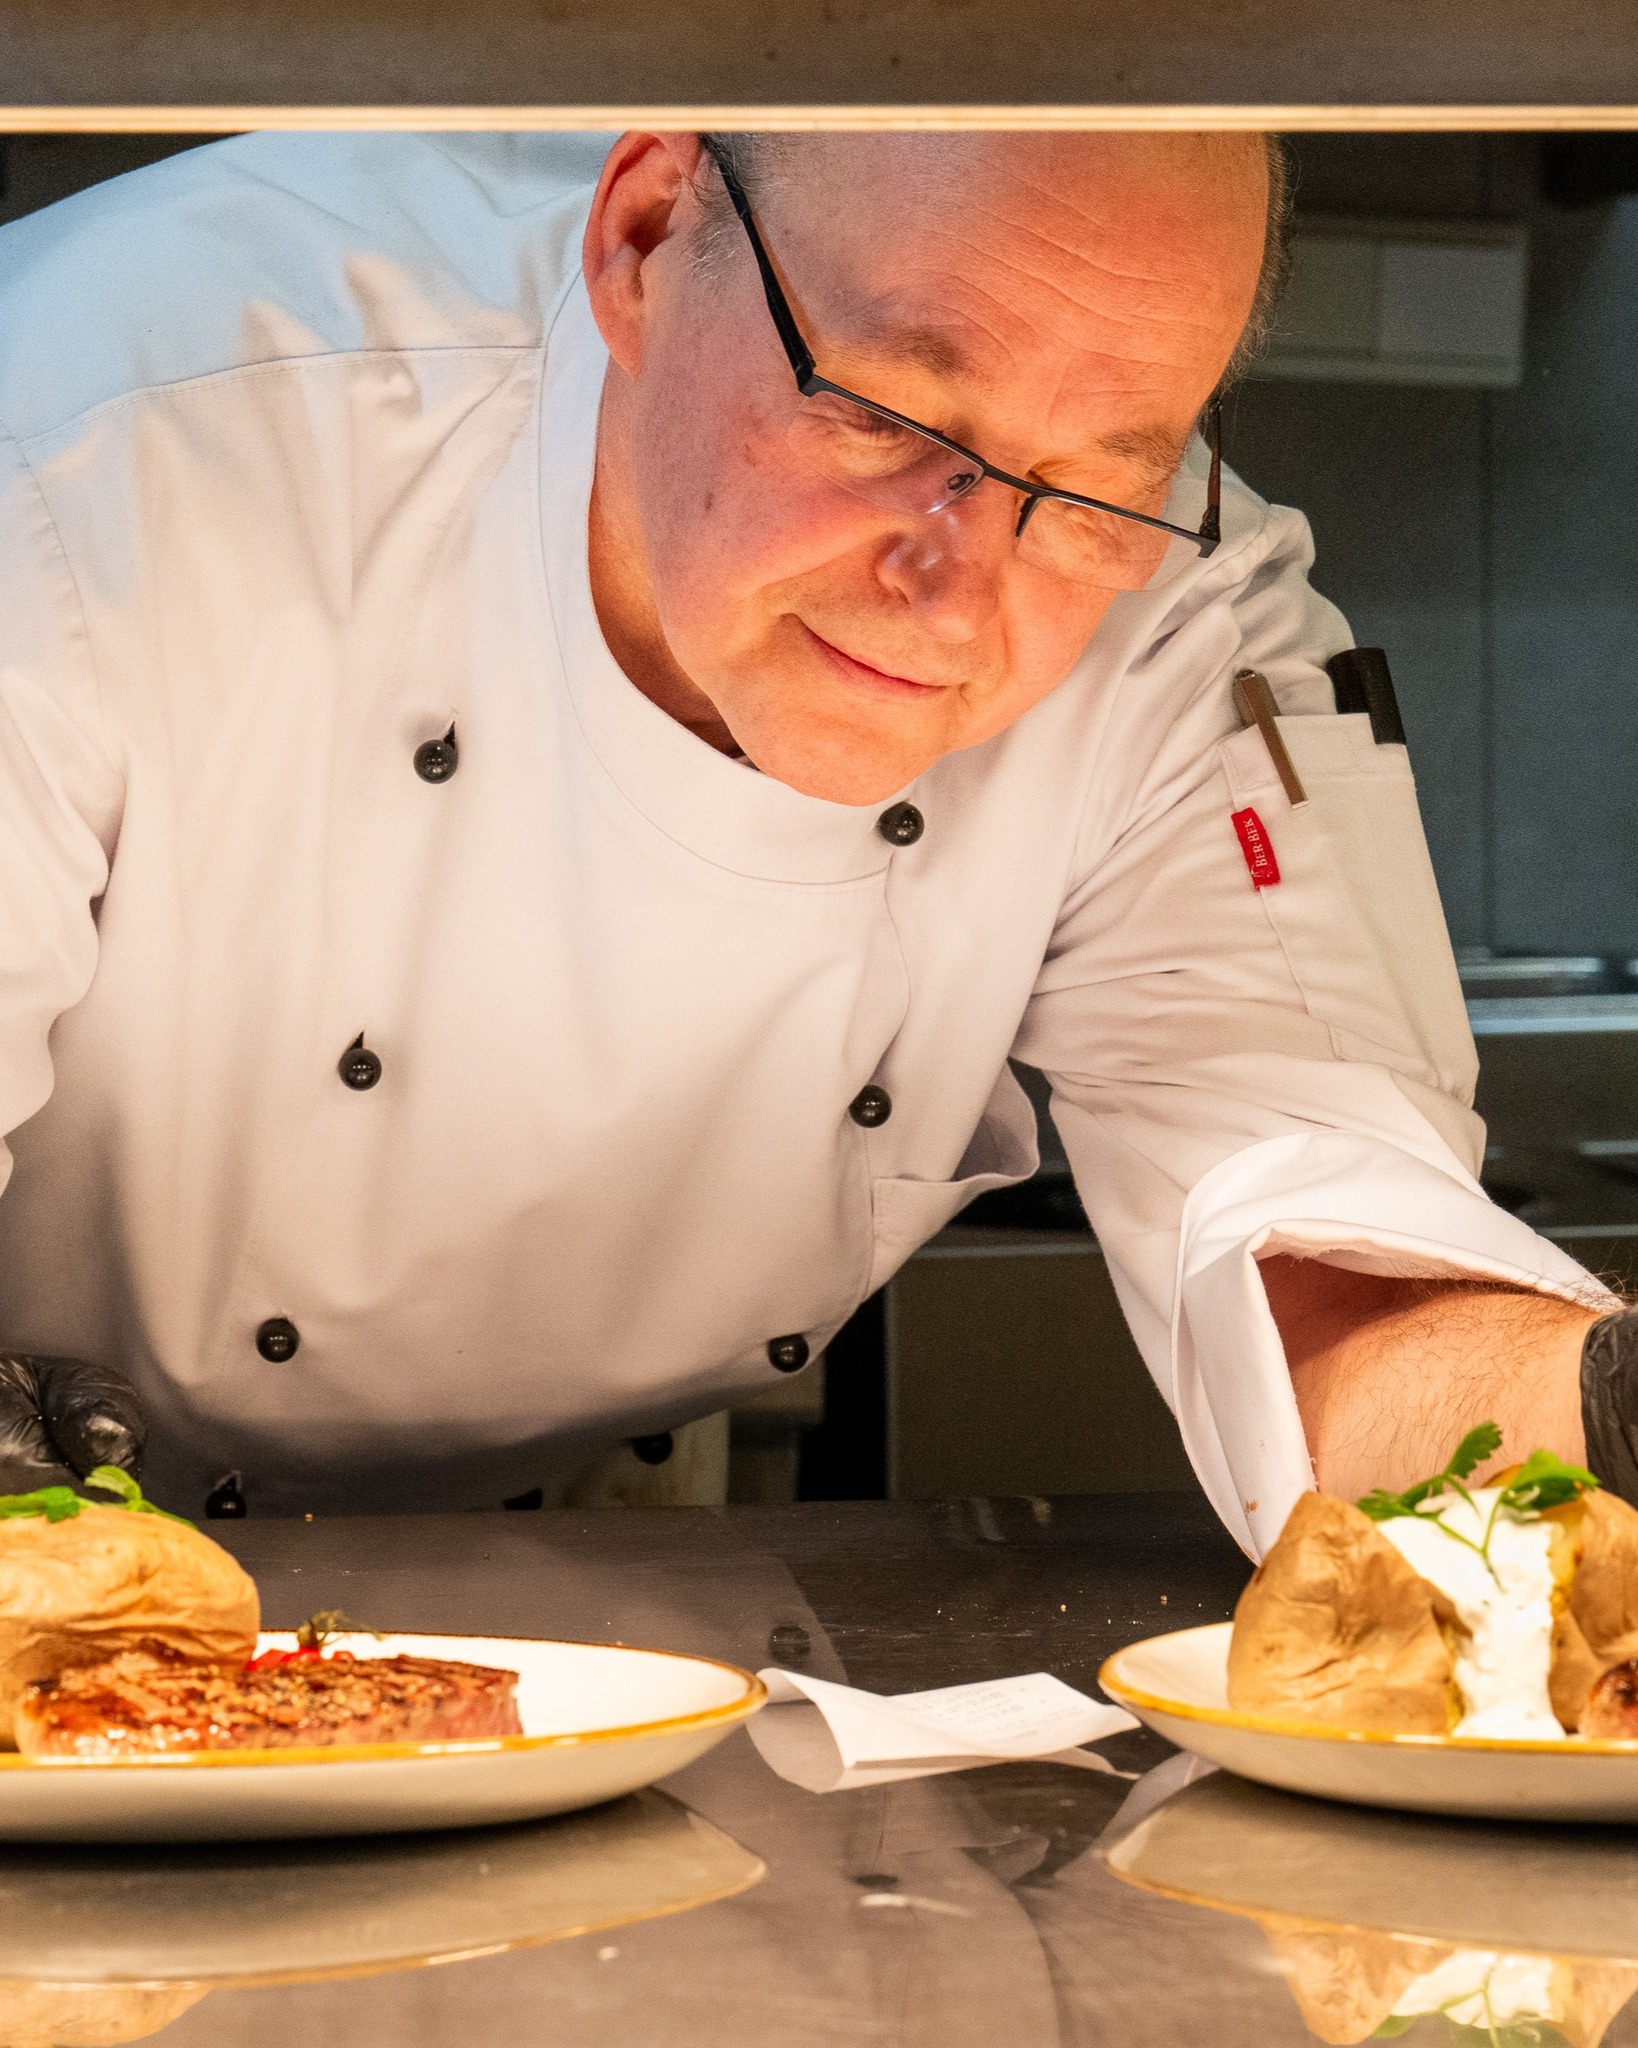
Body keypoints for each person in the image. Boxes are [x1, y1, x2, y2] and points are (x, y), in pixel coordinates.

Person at [0, 128, 1616, 1542]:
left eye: (1093, 486)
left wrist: (1604, 1418)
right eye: (888, 415)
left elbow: (1336, 1281)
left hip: (608, 1548)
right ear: (643, 239)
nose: (957, 596)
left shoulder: (1181, 624)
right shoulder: (82, 454)